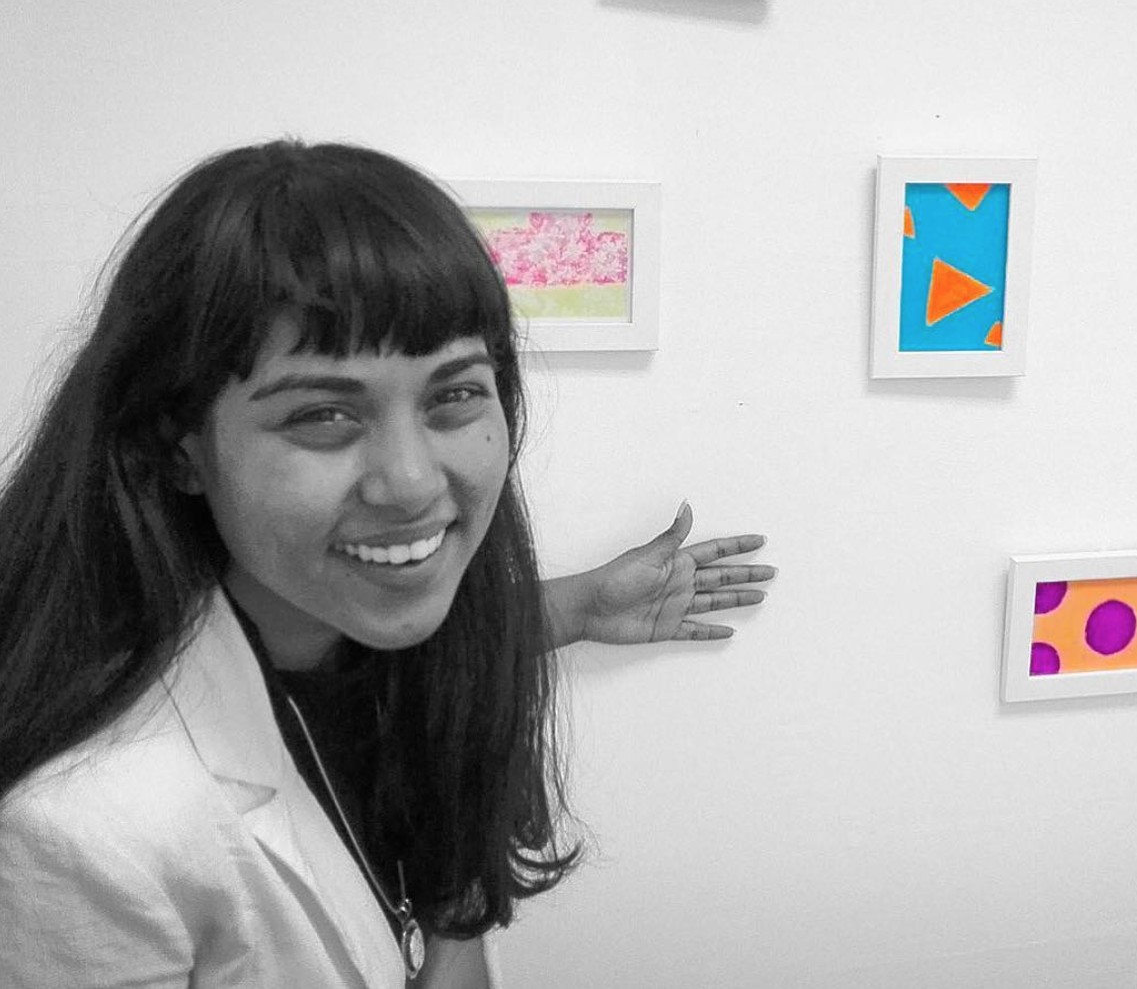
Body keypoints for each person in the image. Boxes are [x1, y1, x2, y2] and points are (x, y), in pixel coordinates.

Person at [0, 140, 774, 988]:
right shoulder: (79, 834)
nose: (411, 482)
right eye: (325, 415)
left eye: (454, 395)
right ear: (177, 445)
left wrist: (575, 609)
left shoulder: (364, 646)